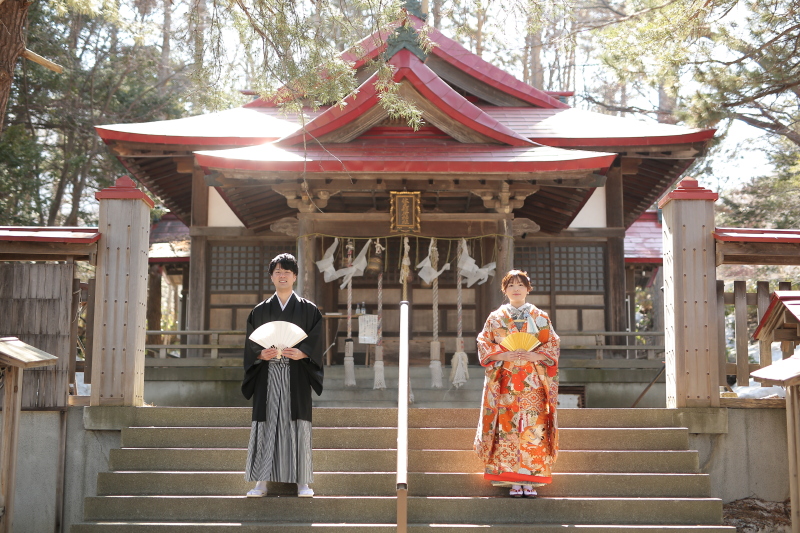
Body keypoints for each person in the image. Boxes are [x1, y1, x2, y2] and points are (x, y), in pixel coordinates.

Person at [241, 253, 324, 498]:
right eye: (278, 271)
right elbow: (251, 344)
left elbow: (316, 342)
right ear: (271, 277)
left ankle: (302, 482)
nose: (282, 275)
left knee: (297, 425)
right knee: (266, 425)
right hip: (268, 375)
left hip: (296, 374)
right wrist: (260, 355)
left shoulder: (309, 310)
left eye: (287, 271)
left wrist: (303, 353)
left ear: (295, 276)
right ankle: (261, 482)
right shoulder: (260, 311)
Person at [474, 269, 560, 498]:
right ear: (505, 290)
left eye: (520, 284)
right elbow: (483, 342)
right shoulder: (495, 318)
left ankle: (531, 479)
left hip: (533, 382)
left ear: (528, 289)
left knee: (534, 427)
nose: (516, 288)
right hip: (505, 381)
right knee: (507, 427)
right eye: (511, 285)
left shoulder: (540, 317)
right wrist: (501, 356)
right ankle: (512, 480)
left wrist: (537, 356)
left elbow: (552, 344)